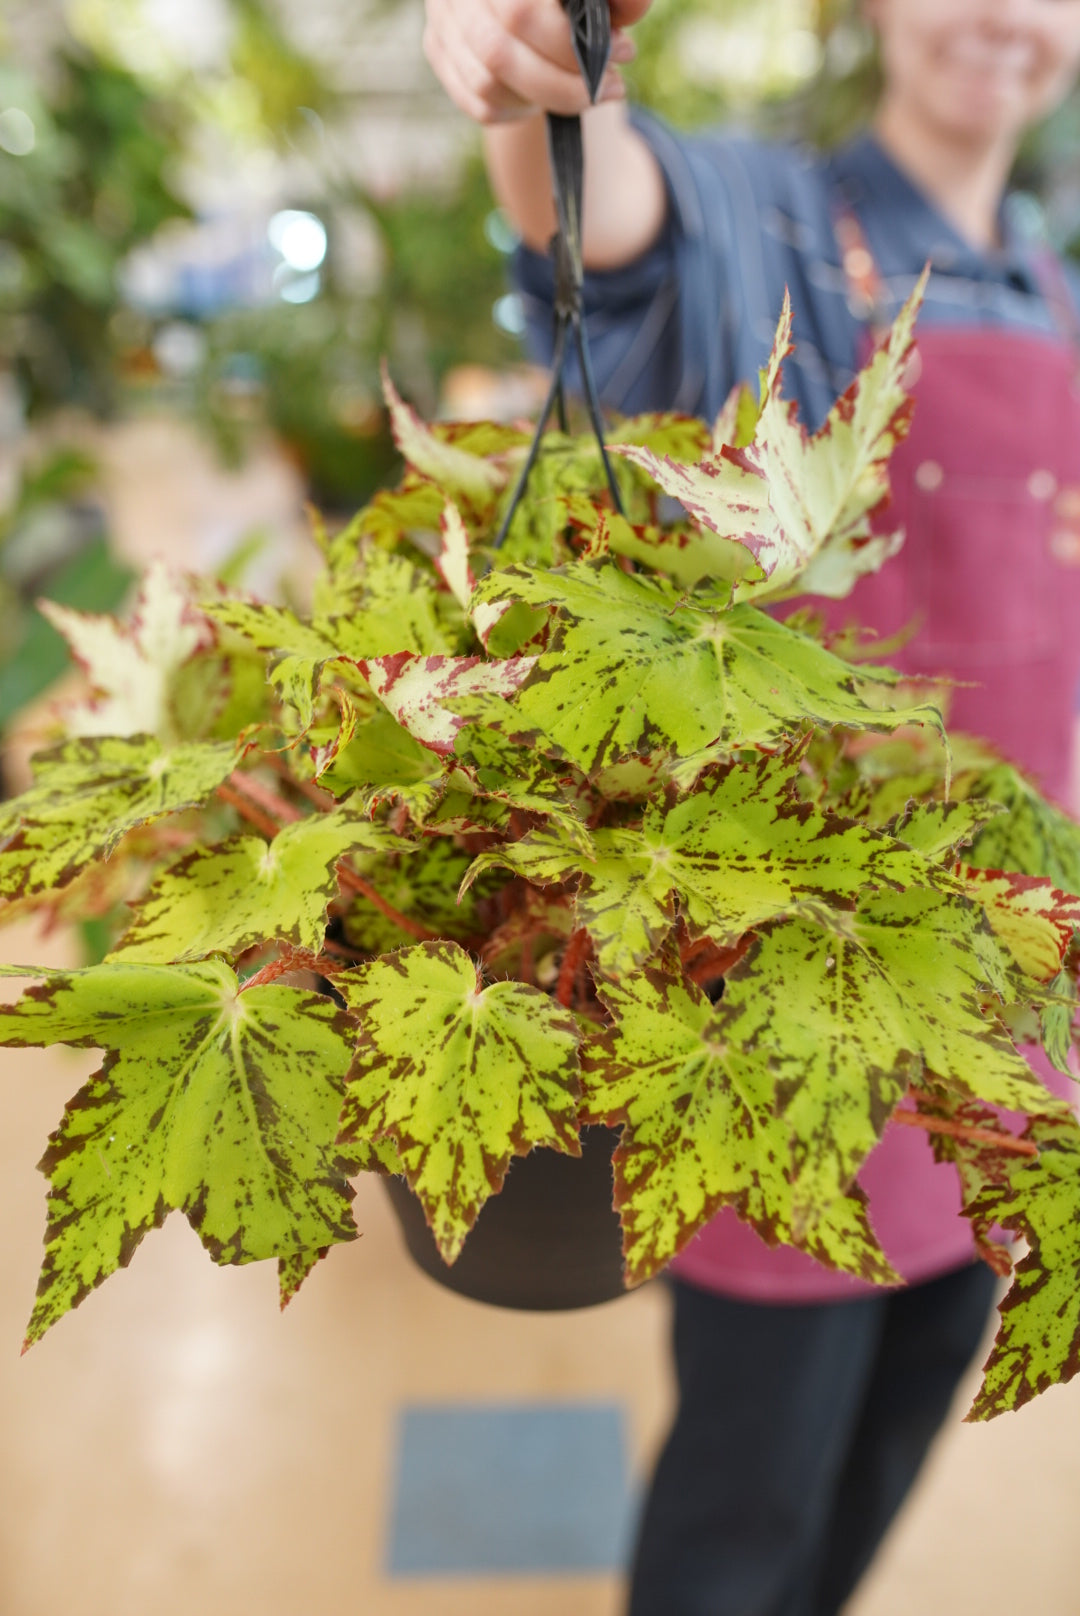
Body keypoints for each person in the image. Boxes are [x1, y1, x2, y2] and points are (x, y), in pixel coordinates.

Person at [422, 3, 1080, 1612]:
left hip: (1004, 1010)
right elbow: (613, 210)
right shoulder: (774, 222)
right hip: (786, 1018)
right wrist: (549, 79)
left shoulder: (1059, 277)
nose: (998, 18)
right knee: (742, 1513)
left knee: (883, 1460)